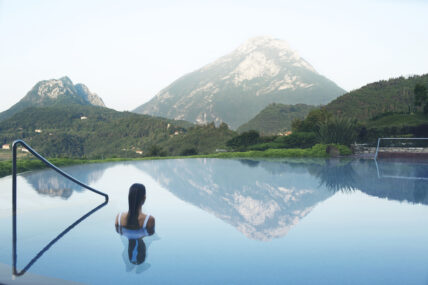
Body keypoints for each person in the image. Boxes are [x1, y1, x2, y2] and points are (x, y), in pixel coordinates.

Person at [115, 183, 155, 265]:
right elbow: (151, 234)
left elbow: (118, 231)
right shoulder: (149, 220)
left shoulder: (119, 218)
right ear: (144, 198)